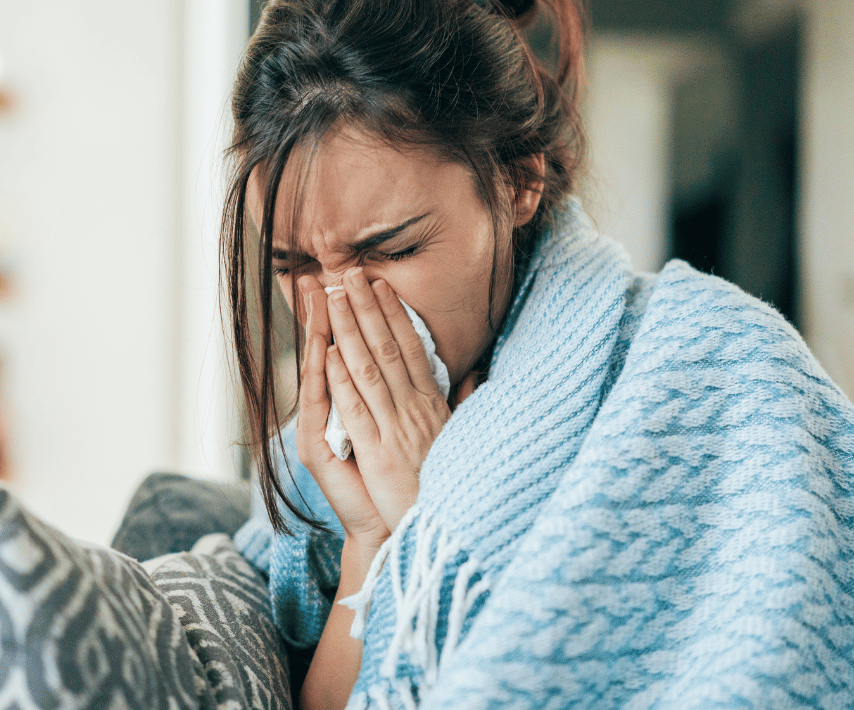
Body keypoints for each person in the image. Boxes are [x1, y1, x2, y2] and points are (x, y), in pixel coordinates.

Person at [221, 0, 854, 708]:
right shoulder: (312, 484)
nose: (339, 311)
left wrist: (442, 513)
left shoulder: (721, 370)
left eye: (390, 249)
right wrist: (376, 540)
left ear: (518, 180)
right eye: (294, 266)